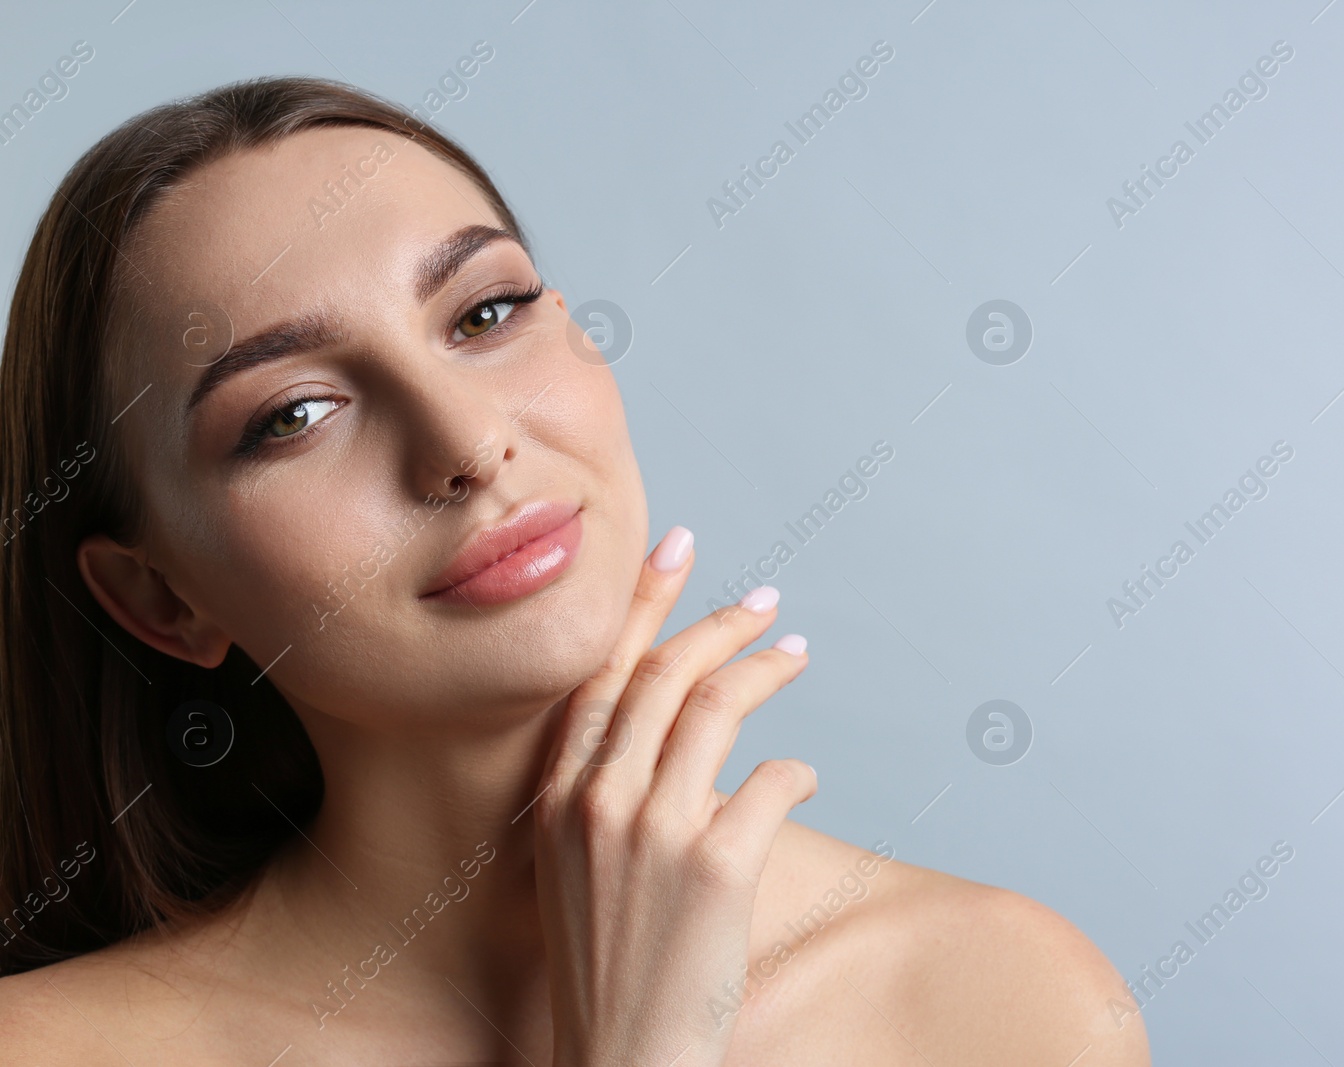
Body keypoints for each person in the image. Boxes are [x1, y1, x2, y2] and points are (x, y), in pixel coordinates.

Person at [0, 76, 1148, 1065]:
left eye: (487, 310)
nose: (466, 443)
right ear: (162, 598)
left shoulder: (993, 1000)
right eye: (296, 413)